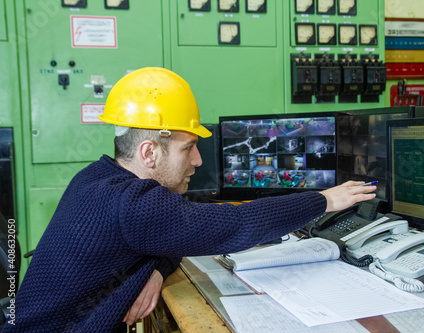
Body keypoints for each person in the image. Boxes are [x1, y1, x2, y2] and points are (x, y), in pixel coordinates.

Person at [3, 67, 376, 332]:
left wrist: (153, 270)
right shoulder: (135, 204)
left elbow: (177, 233)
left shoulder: (97, 177)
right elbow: (235, 225)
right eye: (190, 148)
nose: (197, 161)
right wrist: (324, 200)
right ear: (149, 153)